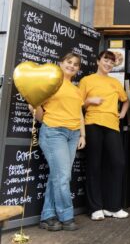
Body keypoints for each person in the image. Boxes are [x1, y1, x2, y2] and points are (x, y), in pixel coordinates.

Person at [29, 53, 86, 231]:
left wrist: (82, 135)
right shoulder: (51, 84)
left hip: (73, 134)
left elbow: (79, 113)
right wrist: (36, 108)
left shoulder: (76, 90)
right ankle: (66, 216)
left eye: (76, 64)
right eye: (69, 62)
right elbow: (36, 109)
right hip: (54, 132)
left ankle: (47, 217)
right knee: (63, 177)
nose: (72, 66)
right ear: (60, 63)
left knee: (58, 176)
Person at [79, 50, 130, 221]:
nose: (108, 64)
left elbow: (126, 100)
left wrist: (122, 113)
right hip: (92, 123)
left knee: (117, 163)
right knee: (94, 165)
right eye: (105, 61)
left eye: (111, 62)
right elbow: (77, 103)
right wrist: (89, 101)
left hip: (112, 126)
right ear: (98, 61)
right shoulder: (87, 81)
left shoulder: (115, 83)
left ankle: (113, 207)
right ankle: (95, 208)